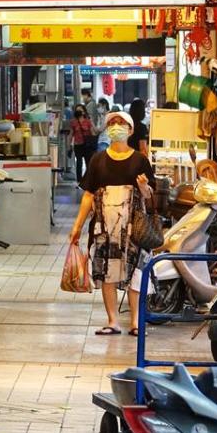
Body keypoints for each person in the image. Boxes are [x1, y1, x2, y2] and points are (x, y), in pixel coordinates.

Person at [69, 111, 155, 337]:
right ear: (107, 128)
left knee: (136, 271)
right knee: (106, 271)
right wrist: (77, 226)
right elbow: (88, 195)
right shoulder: (98, 159)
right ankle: (113, 321)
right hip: (103, 226)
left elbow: (148, 196)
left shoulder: (140, 160)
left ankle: (136, 321)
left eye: (122, 123)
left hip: (133, 226)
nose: (117, 126)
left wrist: (144, 187)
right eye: (112, 123)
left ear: (131, 129)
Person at [69, 104, 94, 184]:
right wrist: (69, 144)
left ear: (84, 111)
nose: (79, 112)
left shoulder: (88, 121)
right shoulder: (73, 122)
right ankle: (79, 181)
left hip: (87, 145)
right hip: (77, 144)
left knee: (88, 162)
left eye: (81, 110)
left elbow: (92, 132)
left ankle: (88, 179)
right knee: (79, 162)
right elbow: (71, 134)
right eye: (77, 110)